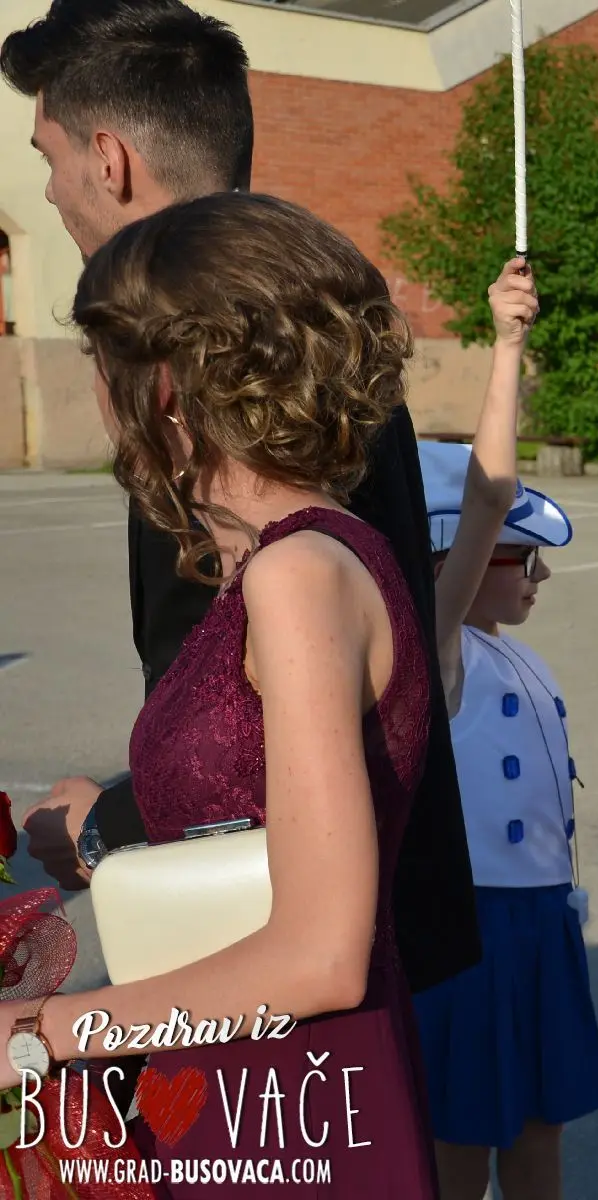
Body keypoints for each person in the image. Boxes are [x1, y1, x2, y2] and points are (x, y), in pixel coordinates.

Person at [2, 0, 480, 995]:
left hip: (286, 985)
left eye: (48, 156)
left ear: (107, 158)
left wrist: (105, 830)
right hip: (343, 951)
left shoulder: (218, 398)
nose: (47, 189)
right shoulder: (291, 326)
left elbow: (254, 748)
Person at [0, 191, 442, 1194]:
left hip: (289, 1100)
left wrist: (35, 1033)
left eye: (101, 364)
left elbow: (321, 954)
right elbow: (266, 805)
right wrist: (113, 826)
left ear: (164, 386)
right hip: (250, 1081)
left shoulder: (297, 575)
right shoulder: (304, 554)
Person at [409, 262, 598, 1200]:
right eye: (520, 559)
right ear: (455, 556)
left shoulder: (519, 658)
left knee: (539, 1132)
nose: (539, 576)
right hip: (472, 931)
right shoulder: (436, 650)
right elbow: (490, 494)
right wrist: (507, 345)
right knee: (460, 1149)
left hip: (540, 925)